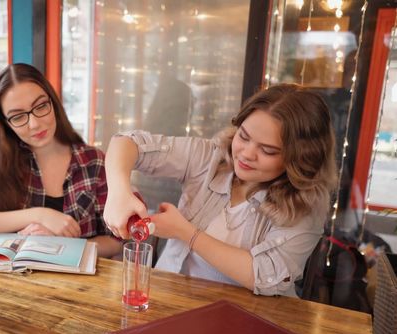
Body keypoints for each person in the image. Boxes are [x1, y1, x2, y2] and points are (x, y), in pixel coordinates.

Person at [103, 84, 338, 296]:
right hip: (168, 300)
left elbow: (264, 276)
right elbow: (127, 142)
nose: (246, 153)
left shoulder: (306, 204)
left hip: (243, 322)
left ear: (300, 158)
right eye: (243, 137)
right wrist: (118, 192)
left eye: (267, 150)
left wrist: (186, 232)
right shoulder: (210, 158)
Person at [0, 63, 121, 258]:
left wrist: (65, 245)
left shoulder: (93, 162)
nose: (35, 124)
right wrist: (40, 215)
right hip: (15, 282)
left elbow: (115, 240)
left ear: (53, 102)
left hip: (80, 286)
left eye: (41, 106)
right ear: (6, 124)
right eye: (18, 116)